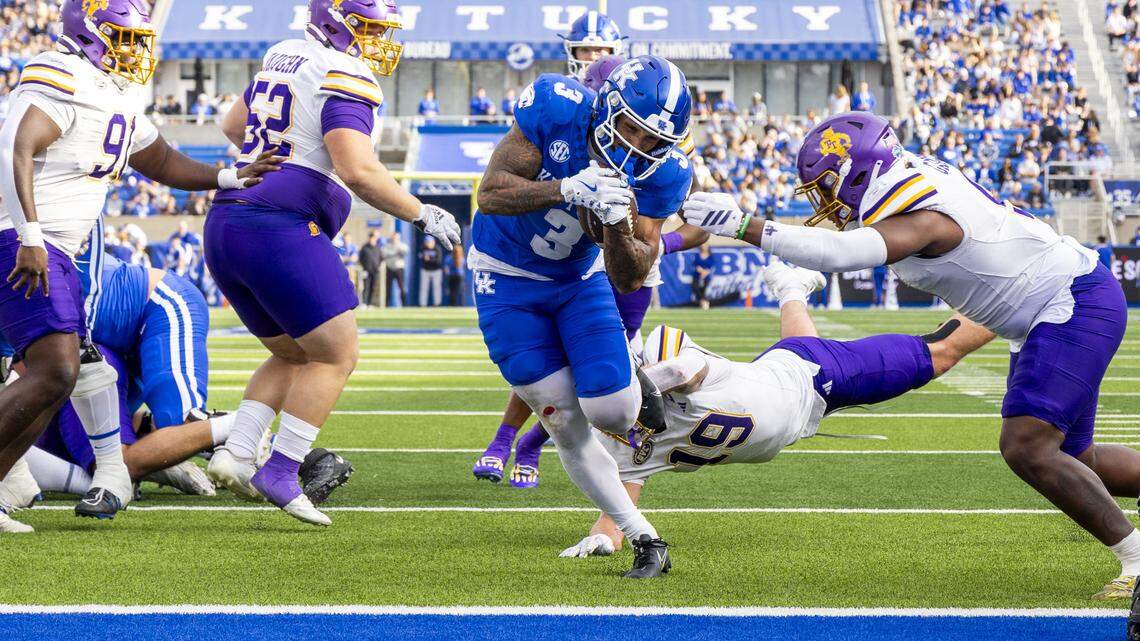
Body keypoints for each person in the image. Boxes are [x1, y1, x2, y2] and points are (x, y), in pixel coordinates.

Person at [683, 111, 1134, 600]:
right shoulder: (908, 182)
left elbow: (837, 255)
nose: (826, 201)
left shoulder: (921, 211)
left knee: (1027, 446)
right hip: (1055, 305)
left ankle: (1136, 558)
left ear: (857, 171)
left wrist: (744, 225)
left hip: (1070, 302)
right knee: (1075, 458)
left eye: (827, 185)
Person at [0, 0, 280, 528]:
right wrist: (30, 235)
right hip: (26, 241)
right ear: (90, 33)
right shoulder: (61, 72)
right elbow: (16, 148)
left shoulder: (111, 93)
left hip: (57, 245)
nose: (134, 51)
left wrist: (228, 177)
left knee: (58, 373)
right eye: (123, 39)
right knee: (54, 370)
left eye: (137, 40)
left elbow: (162, 161)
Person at [204, 0, 460, 526]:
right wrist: (420, 212)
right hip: (281, 225)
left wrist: (287, 151)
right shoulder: (344, 71)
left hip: (229, 220)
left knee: (297, 353)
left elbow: (234, 124)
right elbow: (358, 168)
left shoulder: (282, 53)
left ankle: (236, 450)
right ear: (338, 22)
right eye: (369, 28)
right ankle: (282, 468)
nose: (377, 41)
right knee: (337, 354)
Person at [560, 262, 994, 557]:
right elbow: (618, 516)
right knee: (793, 353)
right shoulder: (615, 444)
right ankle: (791, 287)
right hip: (788, 387)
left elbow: (686, 370)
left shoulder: (661, 359)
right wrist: (602, 539)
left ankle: (1024, 298)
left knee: (941, 352)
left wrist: (645, 386)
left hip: (819, 378)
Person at [469, 54, 692, 578]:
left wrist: (615, 224)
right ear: (607, 108)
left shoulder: (666, 174)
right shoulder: (556, 106)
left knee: (614, 413)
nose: (639, 148)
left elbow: (631, 276)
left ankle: (640, 376)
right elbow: (492, 193)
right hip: (505, 277)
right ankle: (642, 535)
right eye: (632, 131)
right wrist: (566, 188)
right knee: (565, 420)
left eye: (654, 142)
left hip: (578, 279)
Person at [559, 10, 624, 79]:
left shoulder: (626, 86)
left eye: (599, 50)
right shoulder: (563, 86)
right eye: (584, 50)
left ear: (612, 52)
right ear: (573, 53)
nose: (592, 57)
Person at [381, 229, 408, 307]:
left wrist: (393, 252)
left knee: (402, 287)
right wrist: (395, 252)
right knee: (388, 288)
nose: (395, 239)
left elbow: (404, 252)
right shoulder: (387, 246)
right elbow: (384, 254)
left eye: (396, 237)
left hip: (399, 268)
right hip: (389, 268)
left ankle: (405, 305)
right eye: (393, 237)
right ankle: (386, 305)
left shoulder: (402, 245)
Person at [358, 230, 383, 307]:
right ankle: (364, 303)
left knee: (373, 287)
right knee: (366, 287)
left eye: (373, 238)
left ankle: (370, 303)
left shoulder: (378, 248)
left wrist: (378, 266)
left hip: (375, 271)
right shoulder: (364, 247)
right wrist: (363, 266)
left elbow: (381, 258)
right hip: (366, 270)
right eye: (371, 237)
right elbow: (360, 258)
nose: (372, 239)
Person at [418, 235, 443, 306]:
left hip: (436, 270)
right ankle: (423, 304)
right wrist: (426, 259)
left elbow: (438, 261)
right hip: (425, 270)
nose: (428, 243)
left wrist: (429, 259)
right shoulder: (423, 248)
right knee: (424, 288)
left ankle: (437, 303)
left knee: (437, 287)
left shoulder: (437, 248)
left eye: (429, 242)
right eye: (427, 242)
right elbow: (421, 259)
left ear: (433, 242)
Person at [691, 243, 714, 309]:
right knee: (696, 289)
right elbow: (695, 265)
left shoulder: (710, 256)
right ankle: (704, 302)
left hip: (705, 277)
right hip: (697, 276)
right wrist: (701, 271)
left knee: (703, 290)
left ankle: (703, 304)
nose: (704, 247)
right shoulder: (697, 255)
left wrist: (704, 273)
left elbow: (710, 267)